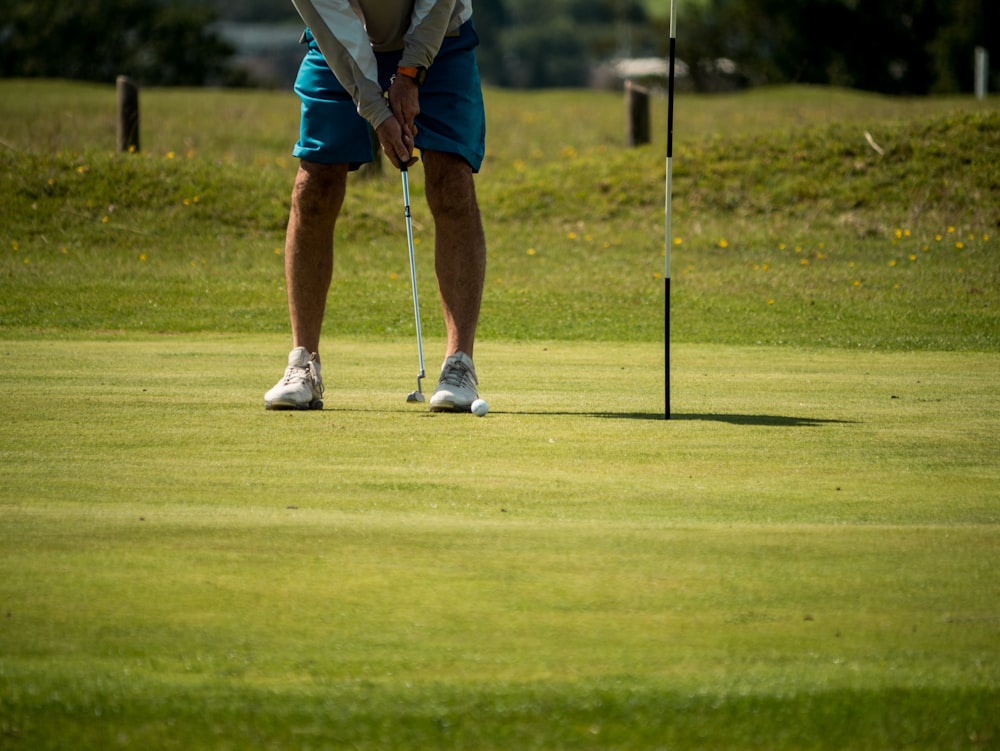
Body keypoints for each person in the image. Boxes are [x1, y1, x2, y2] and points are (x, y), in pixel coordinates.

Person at [265, 0, 487, 413]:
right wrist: (377, 110)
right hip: (341, 41)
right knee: (314, 185)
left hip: (443, 37)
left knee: (452, 182)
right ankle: (303, 364)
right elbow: (336, 27)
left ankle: (459, 365)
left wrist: (409, 73)